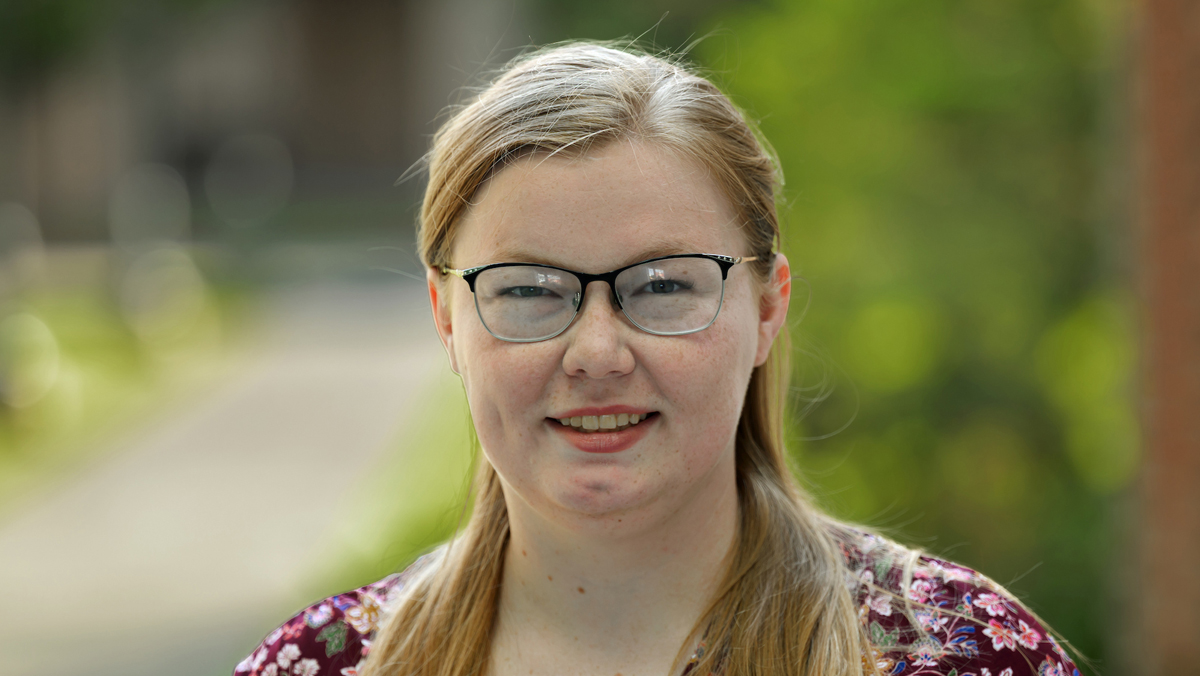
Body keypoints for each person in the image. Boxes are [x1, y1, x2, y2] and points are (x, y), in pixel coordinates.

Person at [234, 42, 1081, 676]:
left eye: (663, 286)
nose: (597, 352)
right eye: (529, 291)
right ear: (447, 320)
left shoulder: (959, 655)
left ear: (766, 305)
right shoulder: (322, 665)